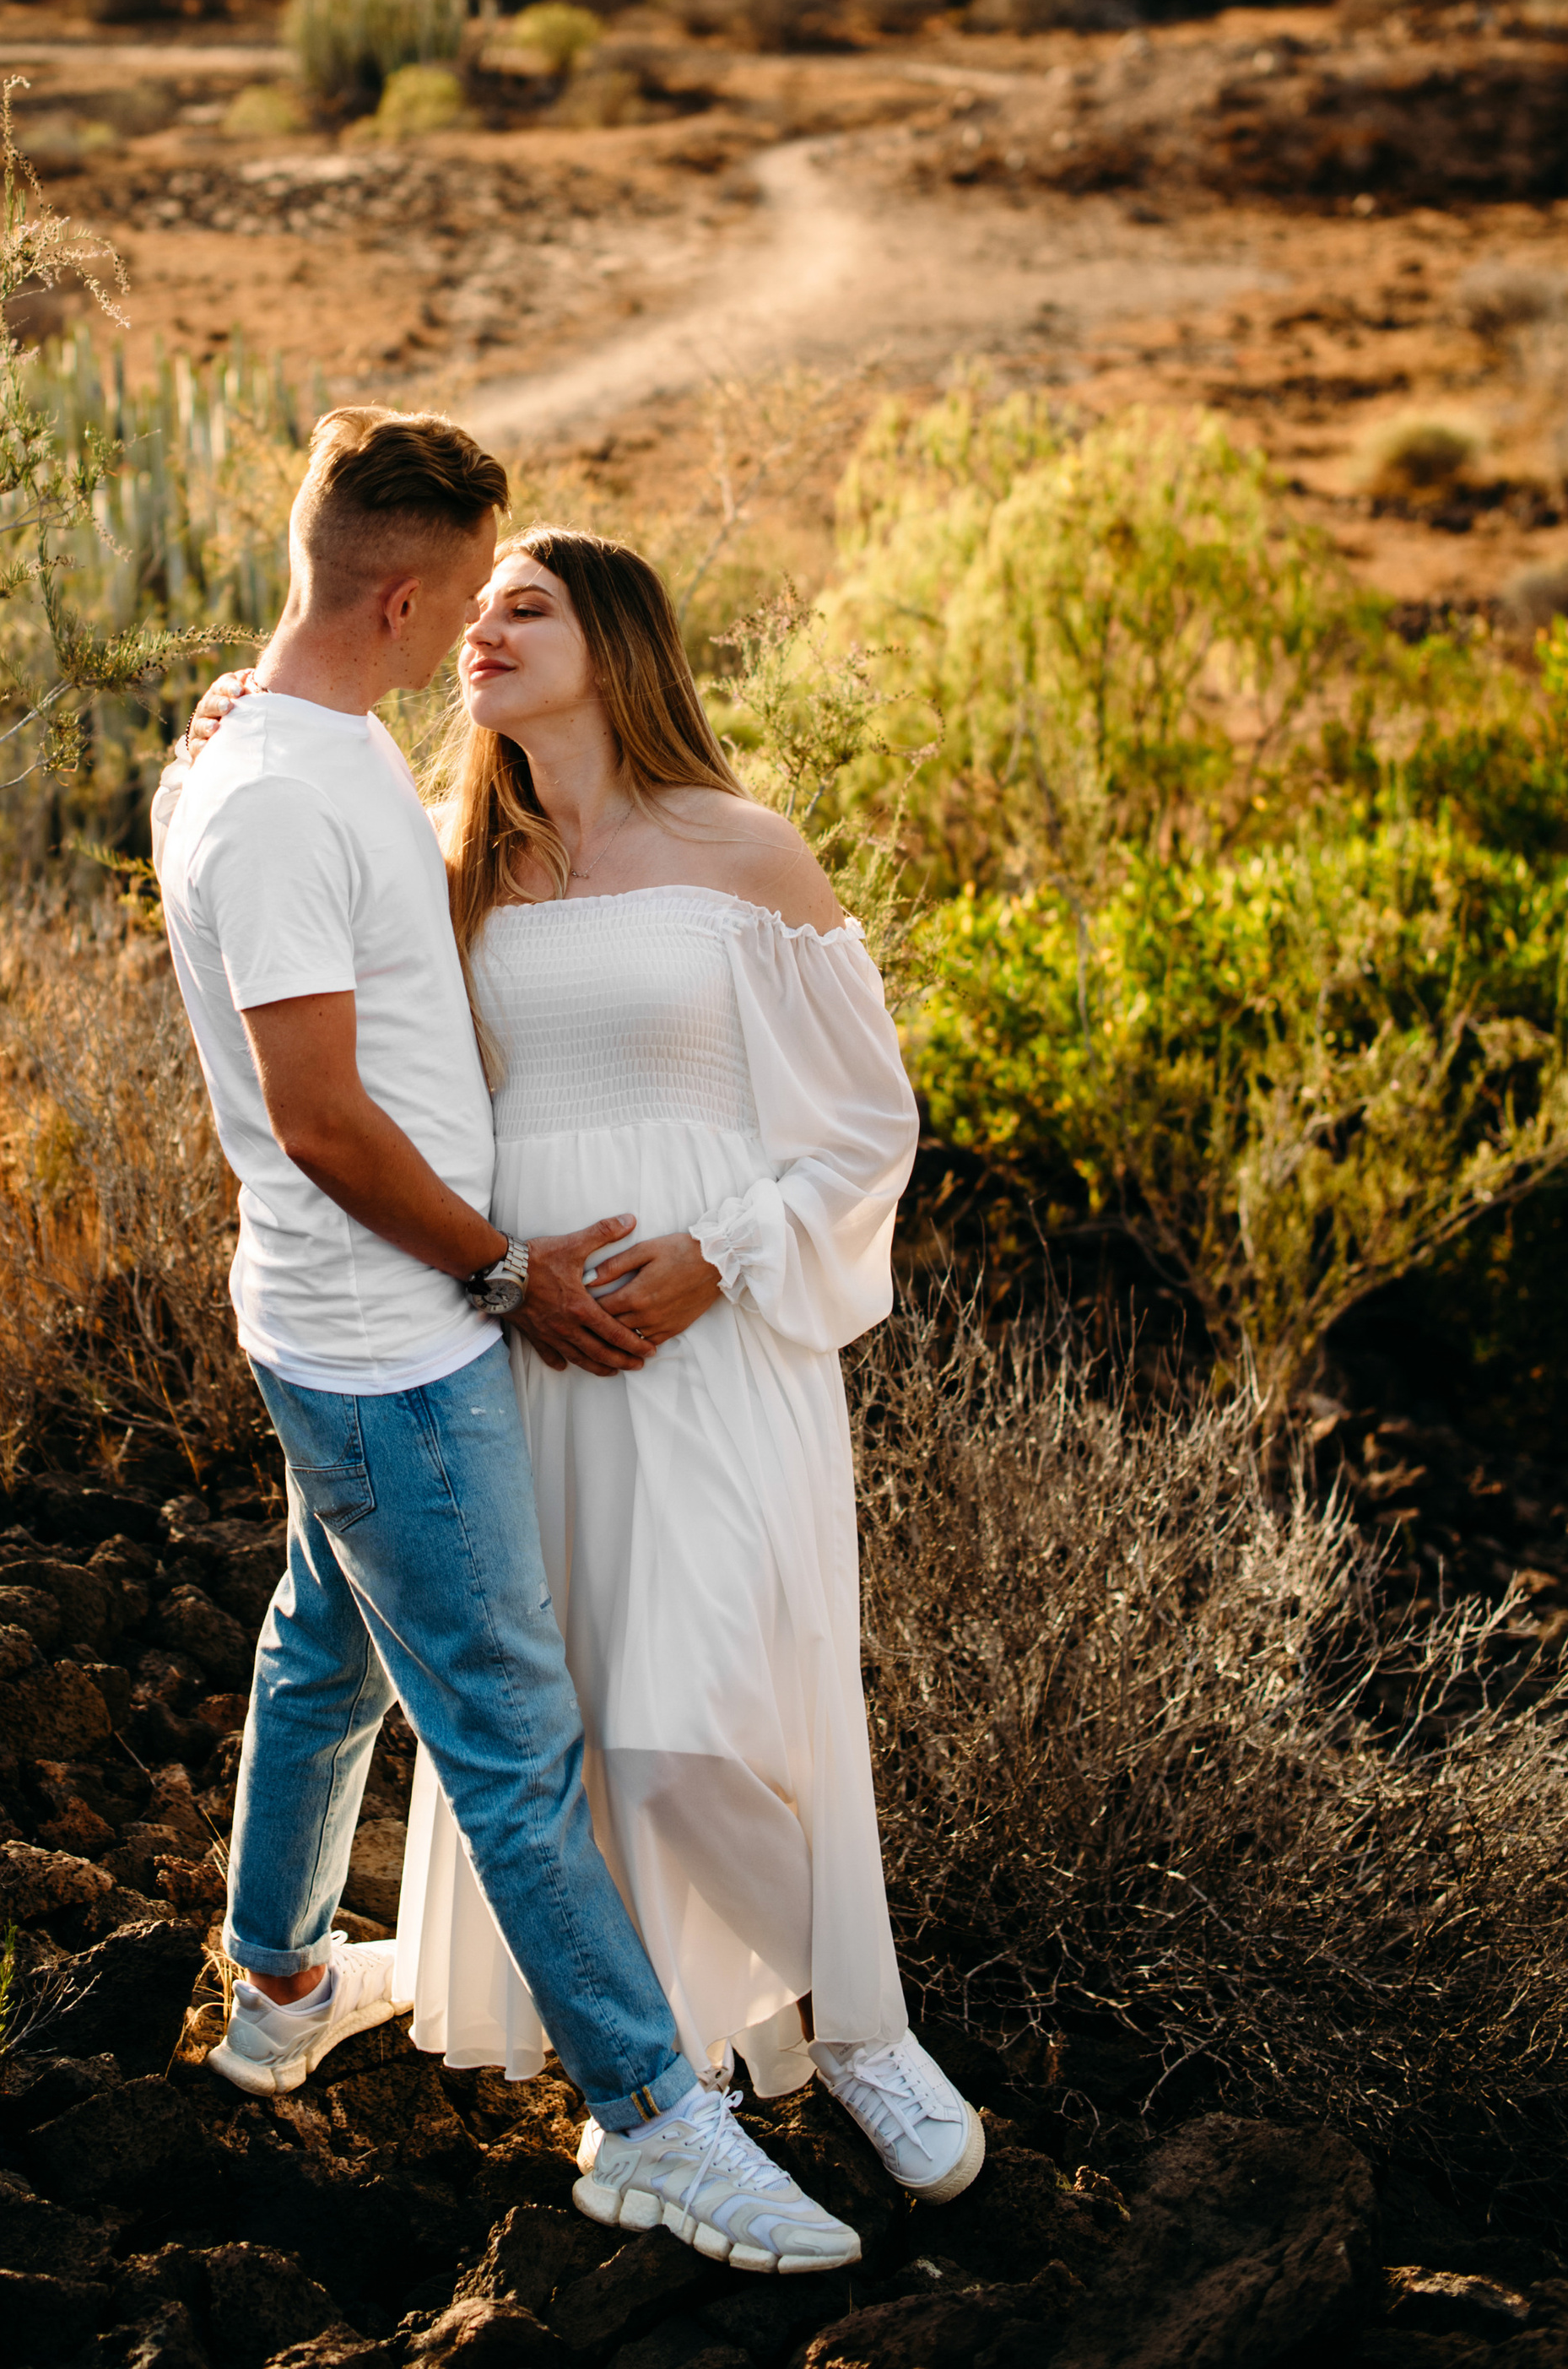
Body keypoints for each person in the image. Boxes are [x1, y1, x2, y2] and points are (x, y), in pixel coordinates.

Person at [150, 408, 866, 2275]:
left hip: (346, 1318)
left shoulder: (287, 751)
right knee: (513, 1740)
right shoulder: (293, 797)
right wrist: (501, 1277)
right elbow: (320, 1116)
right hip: (389, 1334)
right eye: (465, 591)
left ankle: (280, 1976)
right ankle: (650, 2120)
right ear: (398, 595)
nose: (473, 624)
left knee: (325, 1643)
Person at [393, 524, 985, 2207]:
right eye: (472, 610)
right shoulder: (452, 869)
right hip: (524, 1347)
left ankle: (857, 2031)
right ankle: (649, 2084)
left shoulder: (740, 849)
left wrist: (710, 1262)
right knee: (574, 1725)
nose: (482, 632)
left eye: (526, 606)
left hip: (713, 1344)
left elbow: (864, 1126)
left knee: (689, 1718)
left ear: (618, 640)